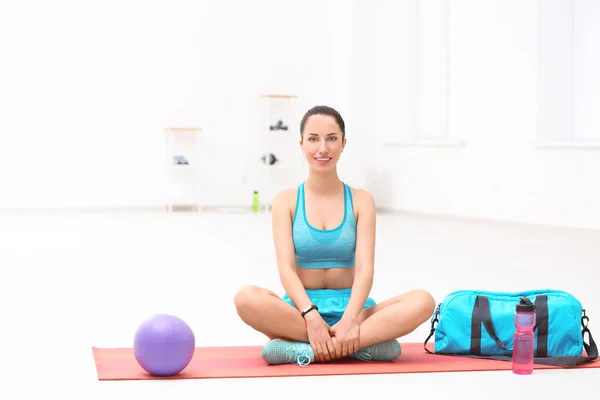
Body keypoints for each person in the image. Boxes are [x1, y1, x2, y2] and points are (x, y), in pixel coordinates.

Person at [234, 105, 436, 366]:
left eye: (331, 138)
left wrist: (351, 318)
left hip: (354, 310)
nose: (323, 148)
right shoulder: (286, 201)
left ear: (343, 143)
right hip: (299, 312)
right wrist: (310, 315)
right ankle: (357, 347)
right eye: (313, 139)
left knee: (422, 301)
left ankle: (306, 350)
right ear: (302, 144)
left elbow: (364, 269)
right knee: (246, 298)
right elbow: (286, 270)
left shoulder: (362, 201)